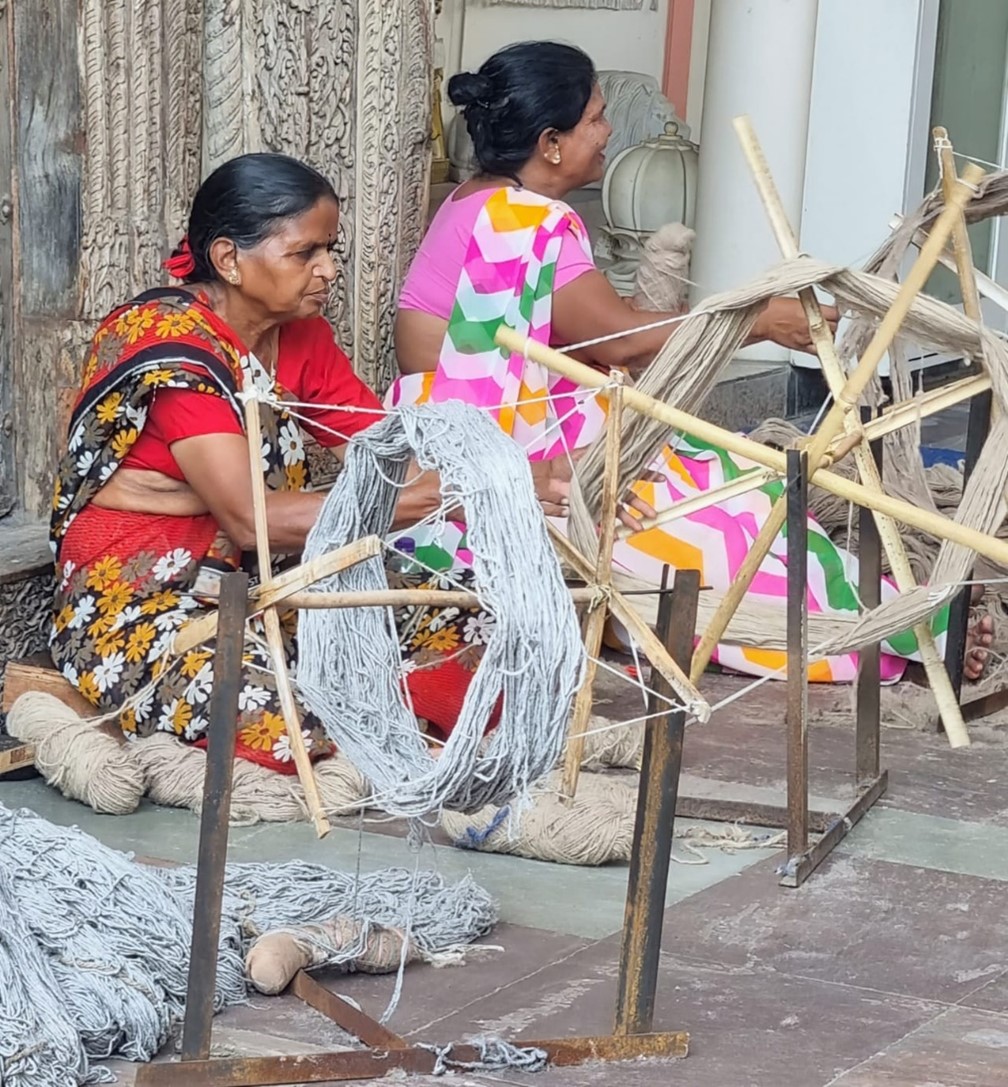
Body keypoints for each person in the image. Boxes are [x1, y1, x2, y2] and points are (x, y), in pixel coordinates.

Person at [391, 40, 992, 684]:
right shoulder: (520, 221)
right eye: (594, 117)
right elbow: (615, 342)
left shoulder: (477, 203)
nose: (608, 131)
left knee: (738, 484)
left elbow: (582, 325)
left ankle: (888, 613)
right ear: (551, 142)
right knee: (714, 527)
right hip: (487, 469)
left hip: (492, 441)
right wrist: (755, 319)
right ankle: (894, 632)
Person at [49, 153, 529, 772]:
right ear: (229, 259)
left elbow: (382, 451)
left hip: (267, 577)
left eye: (330, 251)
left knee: (472, 625)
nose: (327, 271)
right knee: (282, 725)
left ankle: (404, 723)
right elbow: (250, 519)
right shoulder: (174, 356)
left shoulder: (300, 336)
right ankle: (399, 730)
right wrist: (435, 495)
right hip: (145, 600)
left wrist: (499, 477)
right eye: (304, 254)